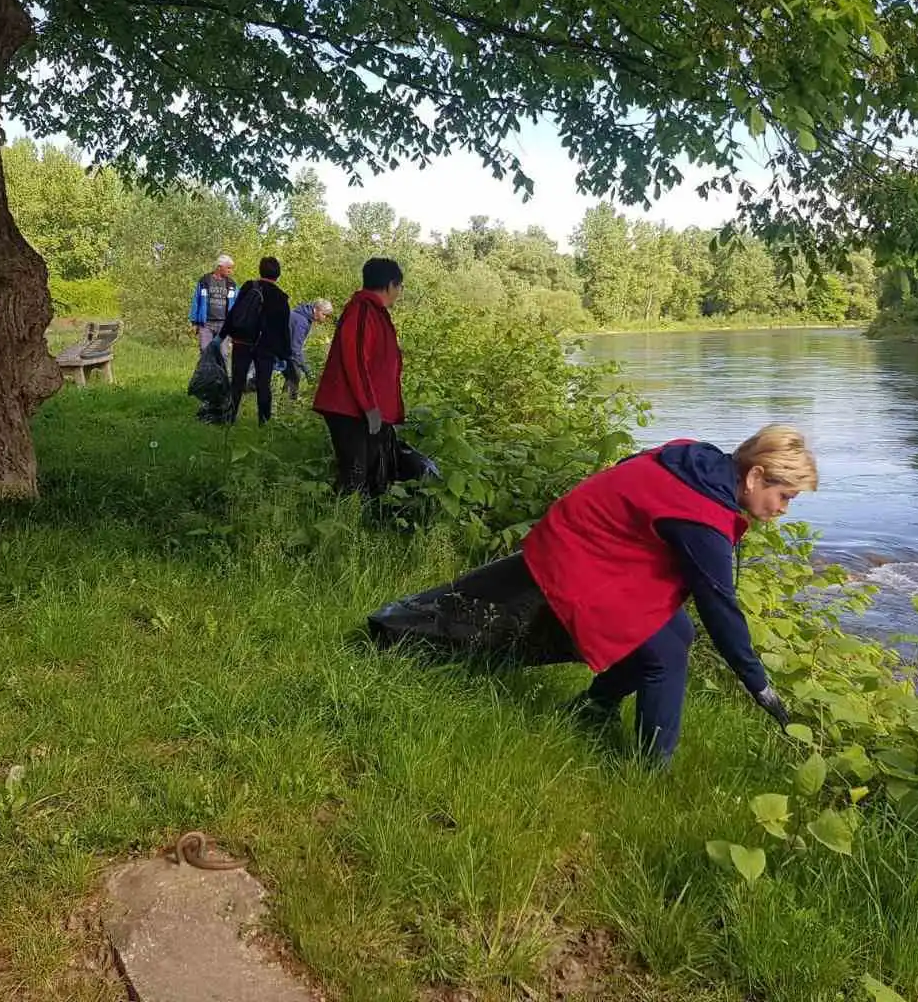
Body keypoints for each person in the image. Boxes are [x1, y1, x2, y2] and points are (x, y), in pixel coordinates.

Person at [367, 425, 818, 766]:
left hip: (596, 541)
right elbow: (720, 607)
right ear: (756, 475)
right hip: (579, 550)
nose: (783, 509)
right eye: (785, 496)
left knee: (676, 633)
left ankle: (592, 707)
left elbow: (631, 468)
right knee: (665, 654)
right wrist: (758, 684)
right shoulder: (704, 515)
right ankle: (650, 770)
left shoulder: (696, 457)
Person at [313, 258, 404, 495]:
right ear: (390, 285)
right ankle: (341, 525)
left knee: (368, 474)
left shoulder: (374, 312)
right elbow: (355, 362)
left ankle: (360, 522)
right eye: (399, 287)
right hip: (349, 409)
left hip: (362, 410)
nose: (400, 293)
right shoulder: (362, 311)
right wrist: (371, 408)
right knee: (354, 475)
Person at [219, 256, 292, 425]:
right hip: (265, 347)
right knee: (263, 385)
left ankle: (229, 419)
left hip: (242, 342)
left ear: (260, 270)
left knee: (237, 382)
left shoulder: (249, 287)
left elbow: (234, 313)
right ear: (278, 275)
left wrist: (221, 336)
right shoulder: (281, 298)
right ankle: (264, 422)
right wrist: (285, 355)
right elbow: (283, 330)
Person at [279, 298, 334, 399]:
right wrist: (307, 370)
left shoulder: (303, 315)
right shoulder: (302, 322)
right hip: (275, 348)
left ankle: (285, 401)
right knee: (295, 374)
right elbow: (295, 350)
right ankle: (288, 403)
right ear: (317, 310)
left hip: (279, 347)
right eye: (324, 314)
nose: (325, 318)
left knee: (293, 373)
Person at [190, 255, 237, 353]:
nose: (230, 271)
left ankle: (221, 369)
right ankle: (205, 369)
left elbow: (237, 304)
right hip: (206, 323)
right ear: (219, 267)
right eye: (228, 268)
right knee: (205, 351)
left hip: (224, 324)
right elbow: (196, 300)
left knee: (223, 353)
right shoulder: (205, 280)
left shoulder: (232, 284)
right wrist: (194, 322)